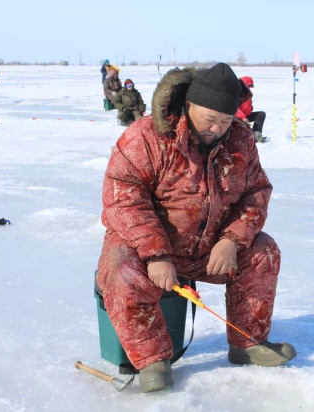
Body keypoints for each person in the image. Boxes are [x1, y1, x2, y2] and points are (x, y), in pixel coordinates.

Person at [96, 62, 296, 393]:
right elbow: (123, 199)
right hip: (143, 246)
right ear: (189, 105)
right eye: (210, 119)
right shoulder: (146, 137)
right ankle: (152, 361)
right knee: (121, 271)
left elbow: (256, 192)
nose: (217, 129)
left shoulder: (241, 141)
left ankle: (247, 343)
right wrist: (156, 254)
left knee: (263, 252)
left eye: (226, 121)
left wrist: (232, 240)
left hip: (208, 249)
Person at [235, 76, 267, 142]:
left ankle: (257, 134)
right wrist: (243, 117)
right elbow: (235, 108)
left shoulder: (247, 93)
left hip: (246, 115)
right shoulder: (237, 93)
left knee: (261, 114)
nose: (249, 88)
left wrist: (250, 108)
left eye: (250, 87)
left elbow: (248, 105)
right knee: (246, 127)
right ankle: (253, 135)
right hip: (237, 117)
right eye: (248, 86)